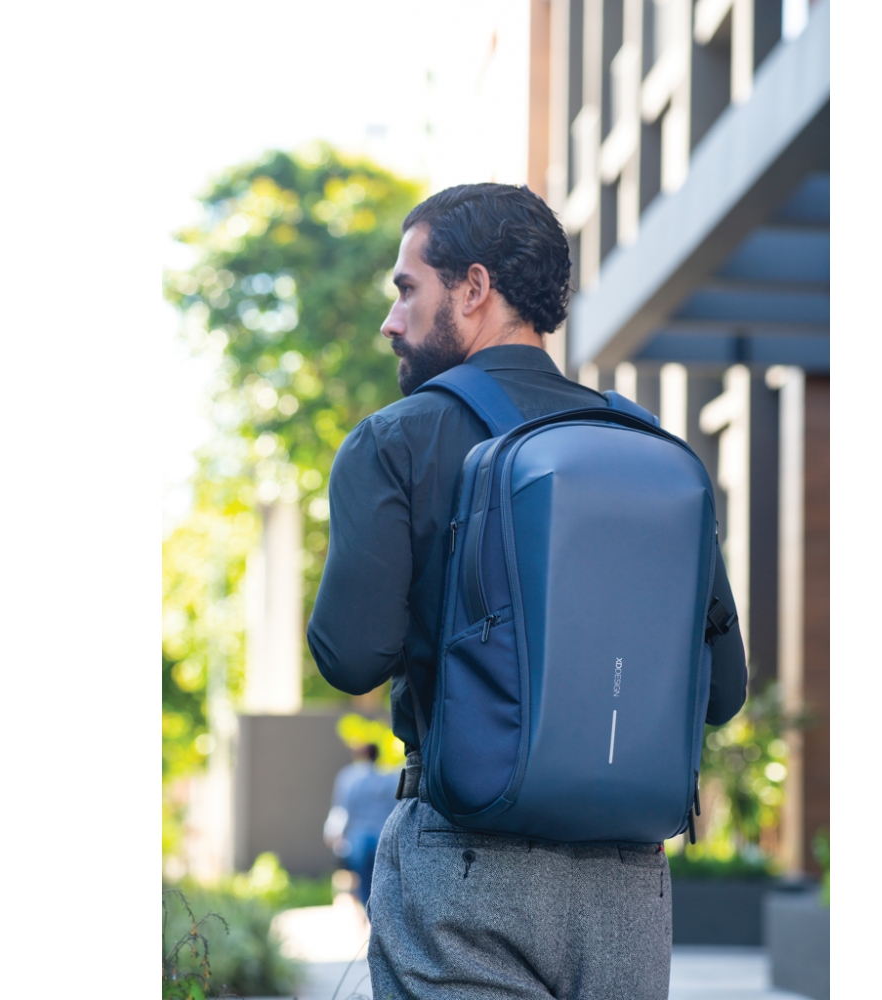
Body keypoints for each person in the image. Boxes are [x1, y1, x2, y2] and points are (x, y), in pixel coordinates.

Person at [307, 183, 748, 999]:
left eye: (407, 290)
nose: (392, 321)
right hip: (627, 882)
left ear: (473, 288)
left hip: (465, 864)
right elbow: (723, 692)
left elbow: (350, 656)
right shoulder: (647, 446)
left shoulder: (396, 441)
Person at [323, 742, 397, 908]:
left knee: (362, 881)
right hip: (382, 837)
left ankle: (367, 912)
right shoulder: (389, 779)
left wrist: (332, 834)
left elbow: (341, 810)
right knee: (382, 882)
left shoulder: (348, 777)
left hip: (357, 840)